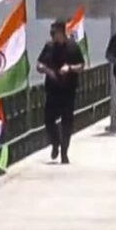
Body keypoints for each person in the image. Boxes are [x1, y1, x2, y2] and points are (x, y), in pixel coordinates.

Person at [36, 20, 86, 164]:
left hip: (68, 91)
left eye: (54, 32)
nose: (52, 35)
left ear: (62, 32)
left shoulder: (72, 47)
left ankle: (64, 152)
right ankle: (55, 143)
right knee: (48, 120)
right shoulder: (49, 47)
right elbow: (39, 64)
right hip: (52, 90)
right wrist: (46, 70)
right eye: (51, 33)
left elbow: (82, 65)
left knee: (67, 123)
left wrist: (69, 68)